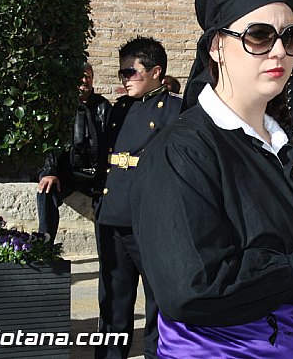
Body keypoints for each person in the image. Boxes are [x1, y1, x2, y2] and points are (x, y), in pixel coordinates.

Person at [131, 0, 293, 357]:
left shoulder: (291, 148)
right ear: (216, 47)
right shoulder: (179, 153)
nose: (278, 52)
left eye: (292, 37)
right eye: (258, 35)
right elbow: (191, 288)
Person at [93, 36, 182, 358]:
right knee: (113, 299)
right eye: (122, 73)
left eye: (131, 72)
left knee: (158, 301)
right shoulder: (118, 110)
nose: (124, 79)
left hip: (150, 221)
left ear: (156, 71)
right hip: (112, 215)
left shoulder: (176, 109)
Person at [36, 62, 111, 244]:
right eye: (81, 76)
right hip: (67, 172)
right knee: (46, 189)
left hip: (95, 175)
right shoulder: (60, 106)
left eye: (88, 76)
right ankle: (45, 245)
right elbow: (49, 142)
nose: (84, 80)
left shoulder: (103, 106)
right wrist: (50, 172)